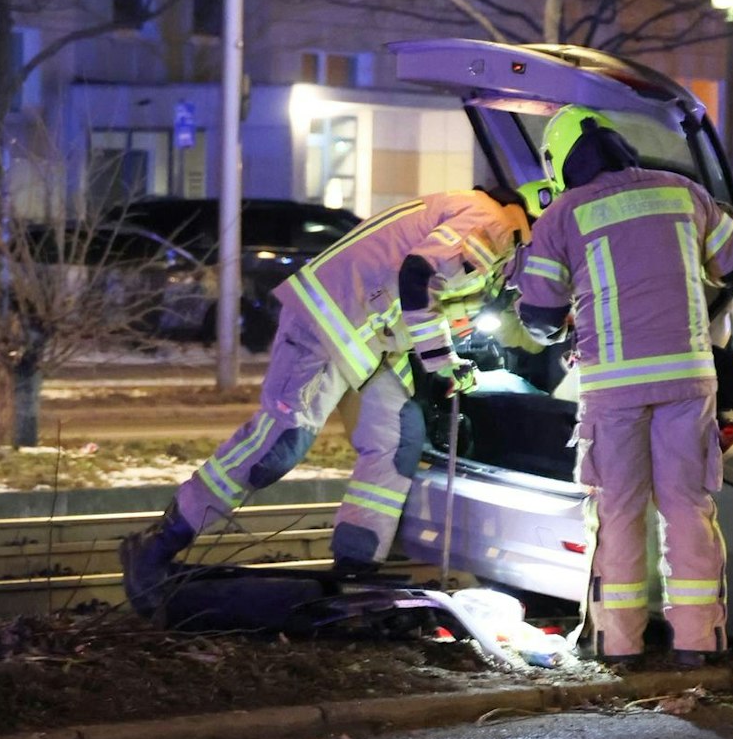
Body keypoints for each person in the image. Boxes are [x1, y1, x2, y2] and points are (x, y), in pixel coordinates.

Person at [119, 186, 538, 616]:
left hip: (368, 339)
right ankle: (156, 546)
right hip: (328, 322)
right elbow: (418, 276)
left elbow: (448, 298)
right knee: (278, 446)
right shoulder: (495, 223)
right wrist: (442, 361)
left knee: (398, 440)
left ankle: (356, 567)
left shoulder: (494, 237)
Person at [513, 105, 733, 668]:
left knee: (619, 513)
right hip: (687, 382)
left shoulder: (565, 214)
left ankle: (619, 647)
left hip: (613, 389)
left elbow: (541, 316)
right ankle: (699, 643)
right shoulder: (683, 192)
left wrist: (569, 312)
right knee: (688, 508)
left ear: (560, 162)